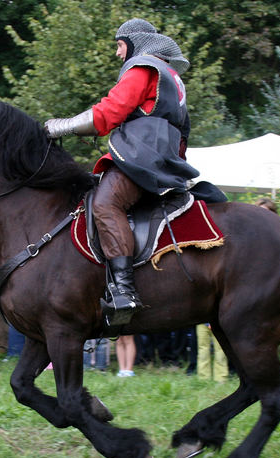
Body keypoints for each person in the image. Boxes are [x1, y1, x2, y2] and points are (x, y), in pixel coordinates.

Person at [45, 18, 197, 324]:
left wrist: (60, 127)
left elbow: (109, 112)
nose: (118, 54)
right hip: (165, 158)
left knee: (105, 203)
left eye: (119, 46)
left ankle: (124, 292)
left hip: (143, 157)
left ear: (133, 42)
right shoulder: (172, 78)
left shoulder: (143, 67)